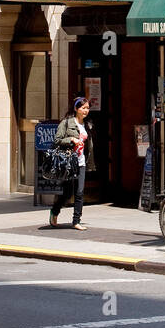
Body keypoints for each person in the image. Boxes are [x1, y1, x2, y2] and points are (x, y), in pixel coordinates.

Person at [51, 97, 93, 230]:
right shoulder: (67, 123)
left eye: (87, 108)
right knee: (68, 193)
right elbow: (57, 140)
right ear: (76, 109)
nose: (86, 110)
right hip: (69, 163)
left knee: (80, 192)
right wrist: (72, 139)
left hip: (81, 162)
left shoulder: (87, 124)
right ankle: (55, 211)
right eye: (83, 108)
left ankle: (76, 221)